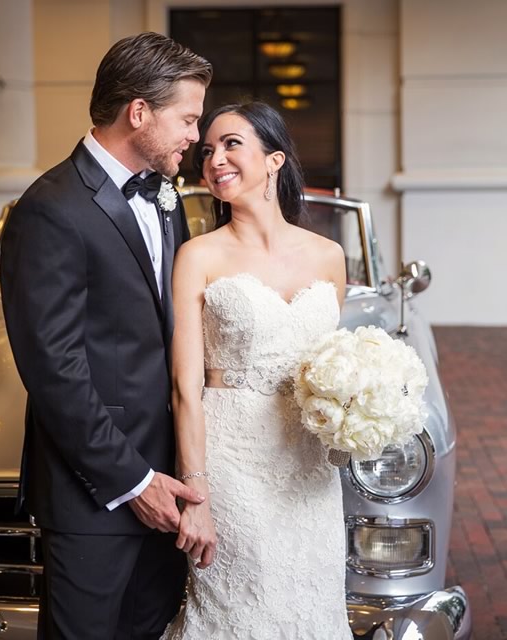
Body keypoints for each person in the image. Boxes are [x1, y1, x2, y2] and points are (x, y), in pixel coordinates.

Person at [0, 33, 212, 639]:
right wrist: (132, 481)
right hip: (96, 492)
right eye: (188, 119)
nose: (194, 137)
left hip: (169, 483)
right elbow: (53, 370)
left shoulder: (167, 199)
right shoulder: (50, 209)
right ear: (139, 113)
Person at [161, 102, 353, 638]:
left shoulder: (329, 256)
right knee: (240, 611)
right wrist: (194, 496)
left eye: (230, 144)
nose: (215, 159)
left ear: (274, 160)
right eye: (207, 150)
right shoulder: (198, 256)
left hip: (309, 469)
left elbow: (333, 370)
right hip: (232, 464)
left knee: (310, 608)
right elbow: (184, 389)